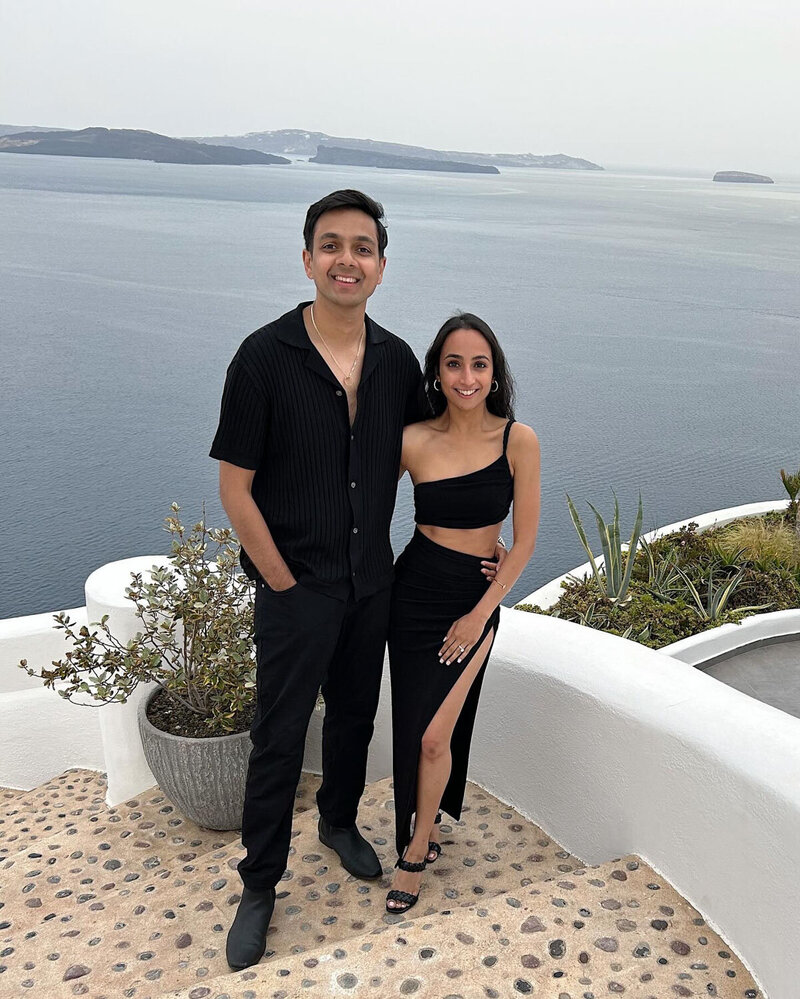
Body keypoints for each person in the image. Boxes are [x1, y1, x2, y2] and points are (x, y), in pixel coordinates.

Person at [209, 190, 424, 970]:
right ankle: (259, 883)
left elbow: (422, 452)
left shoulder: (399, 362)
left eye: (362, 247)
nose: (346, 260)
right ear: (307, 259)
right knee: (277, 738)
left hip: (372, 583)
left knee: (354, 719)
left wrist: (486, 527)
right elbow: (235, 488)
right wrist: (283, 583)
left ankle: (337, 821)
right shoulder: (263, 357)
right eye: (331, 245)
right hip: (295, 589)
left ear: (381, 267)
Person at [385, 313, 541, 914]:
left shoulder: (517, 440)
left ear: (495, 373)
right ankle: (422, 828)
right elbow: (360, 504)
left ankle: (415, 848)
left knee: (434, 737)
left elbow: (524, 542)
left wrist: (480, 615)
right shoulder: (413, 440)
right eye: (454, 364)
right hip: (413, 592)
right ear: (437, 372)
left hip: (474, 602)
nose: (467, 377)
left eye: (479, 364)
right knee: (414, 728)